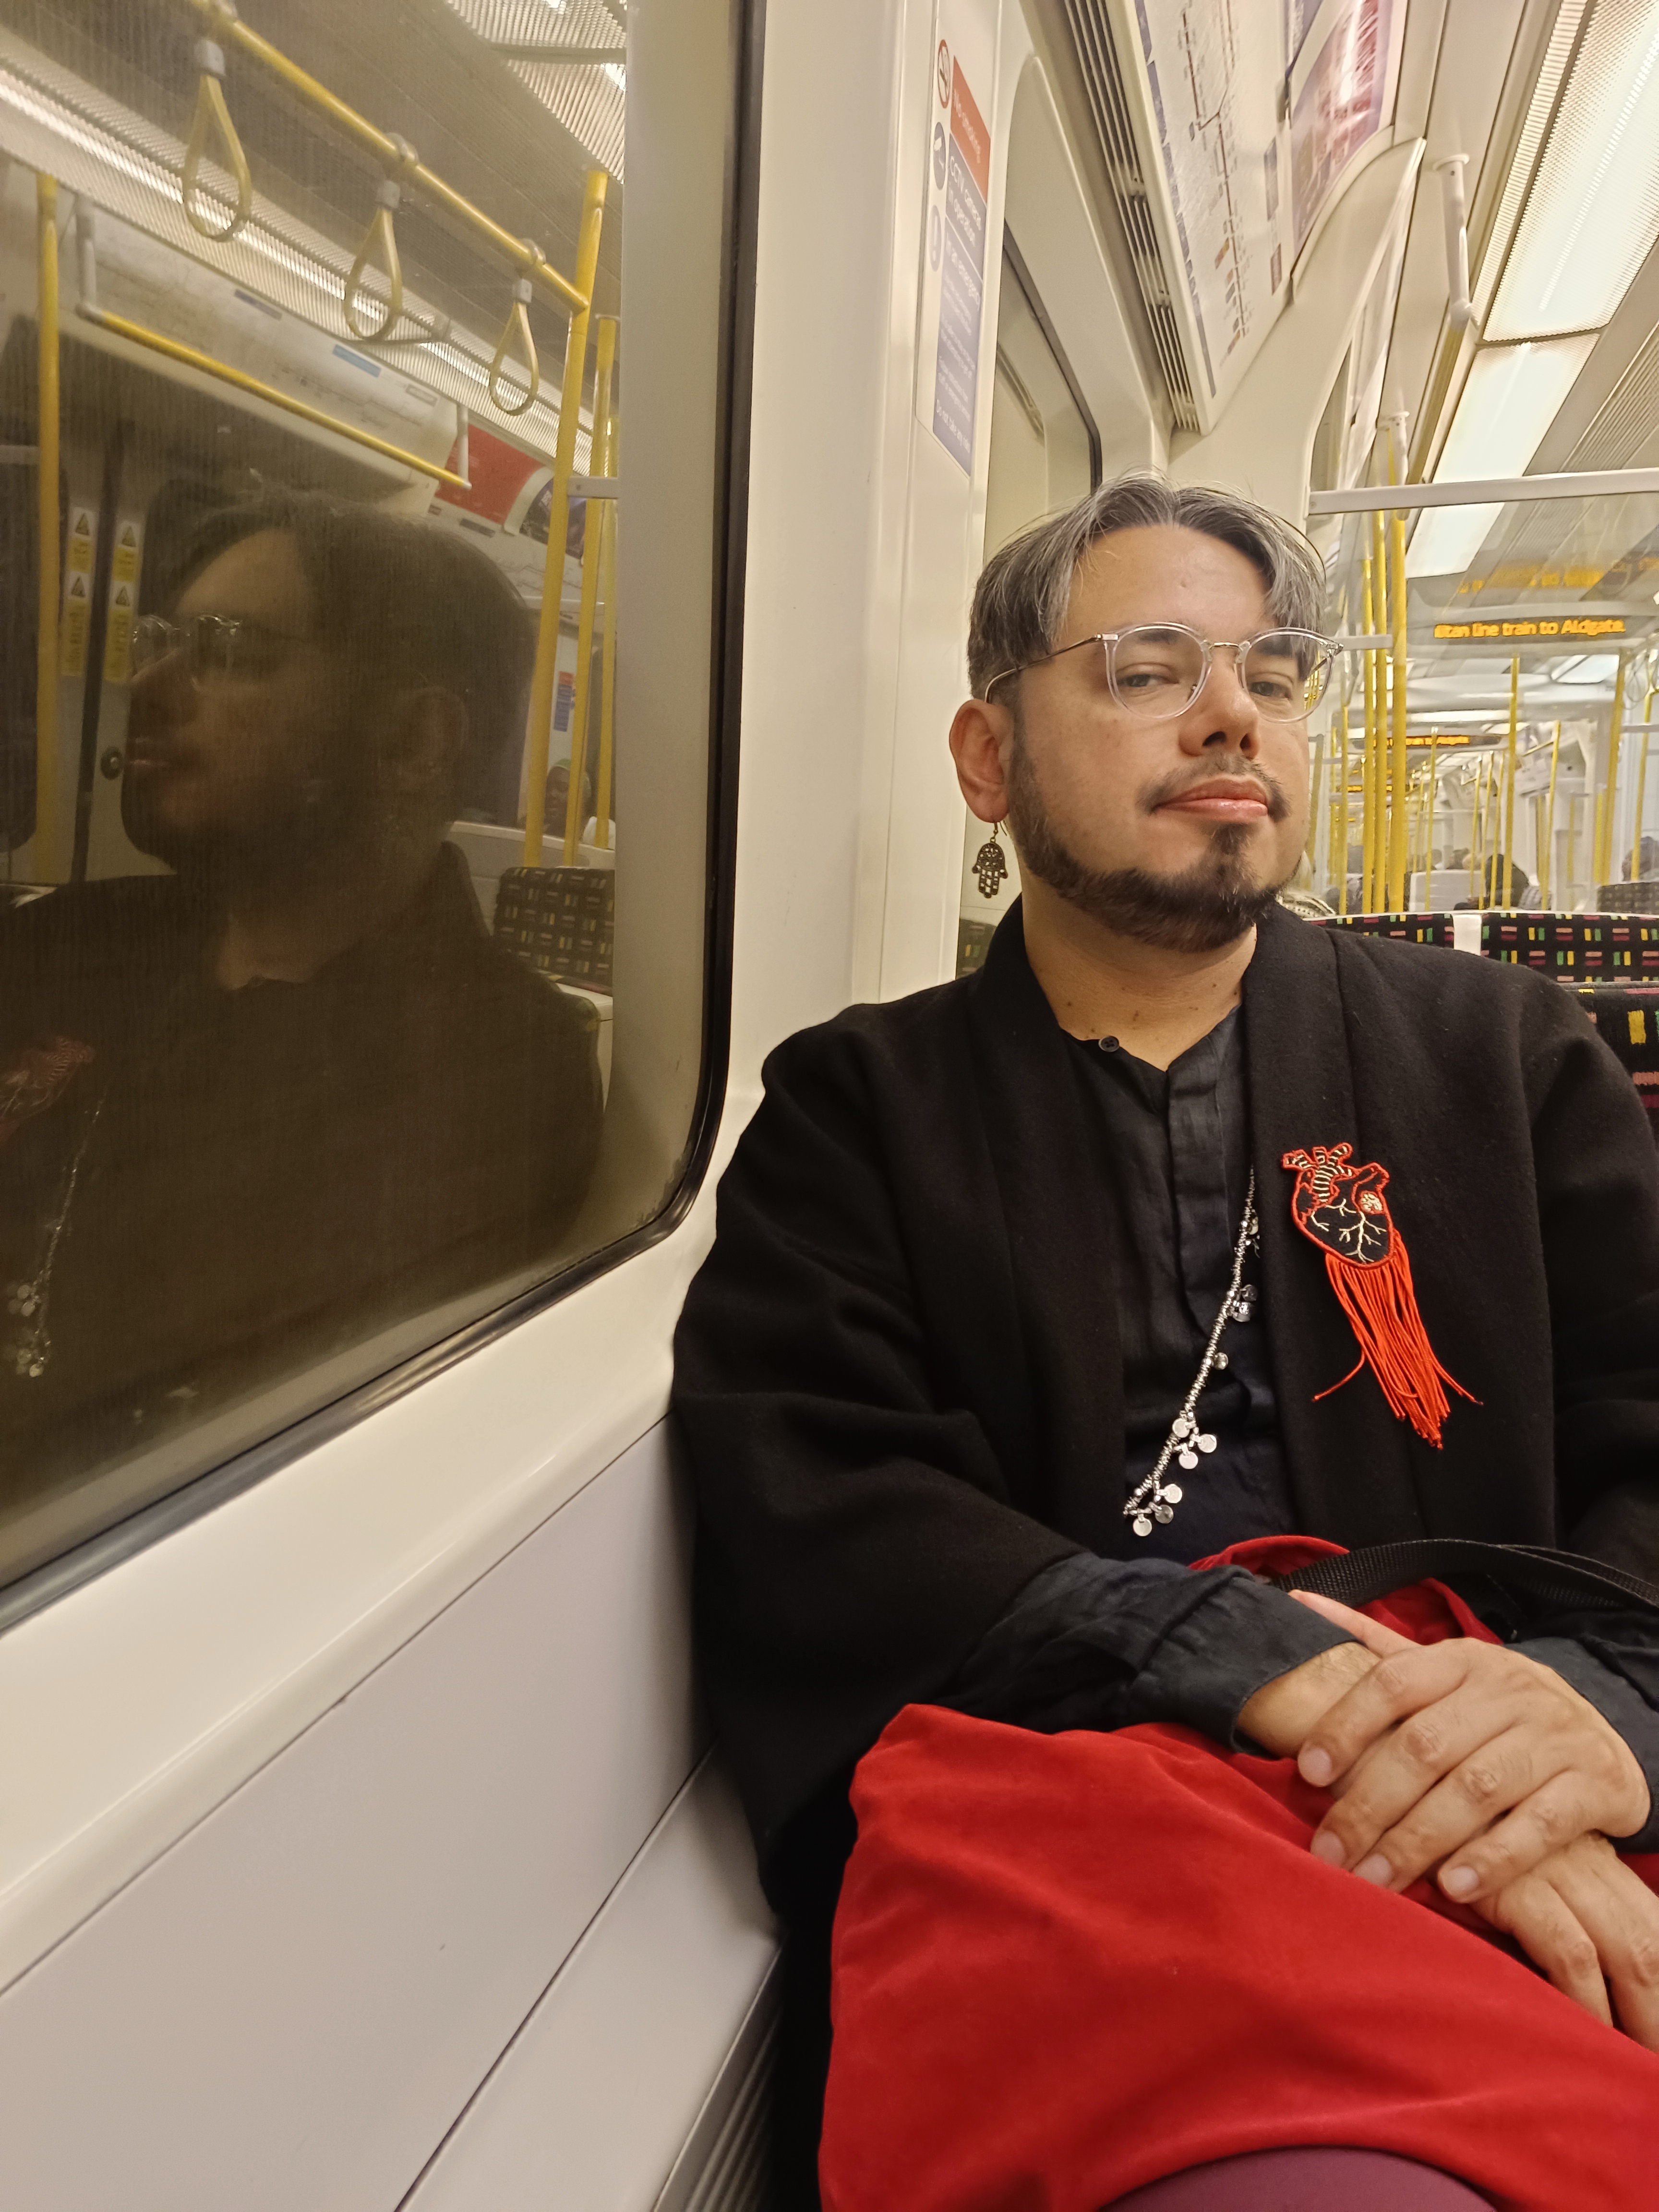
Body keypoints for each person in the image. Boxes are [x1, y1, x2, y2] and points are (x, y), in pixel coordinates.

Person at [672, 475, 1659, 2209]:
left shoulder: (1503, 1058)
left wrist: (1596, 1707)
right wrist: (1234, 1653)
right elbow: (825, 1503)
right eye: (1146, 670)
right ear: (987, 759)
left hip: (1508, 1731)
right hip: (1086, 1803)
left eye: (1272, 675)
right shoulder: (862, 1109)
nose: (1231, 714)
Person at [0, 489, 601, 1516]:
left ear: (414, 740)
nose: (150, 684)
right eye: (162, 641)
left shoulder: (489, 1073)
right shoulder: (67, 943)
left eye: (228, 650)